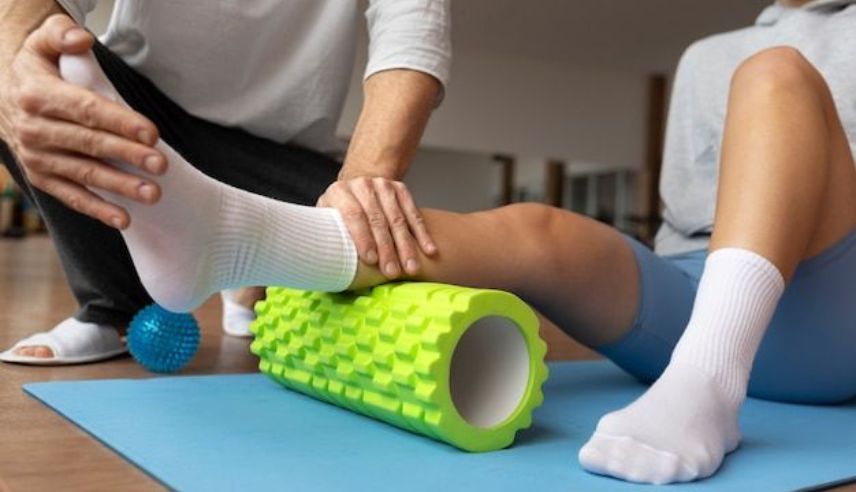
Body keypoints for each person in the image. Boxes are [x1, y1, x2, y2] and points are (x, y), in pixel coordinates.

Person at [13, 0, 856, 485]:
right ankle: (228, 241)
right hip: (688, 288)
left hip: (823, 303)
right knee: (533, 229)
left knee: (774, 71)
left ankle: (709, 381)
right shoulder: (715, 50)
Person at [0, 1, 450, 364]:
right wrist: (13, 76)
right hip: (144, 127)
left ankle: (248, 264)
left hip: (277, 160)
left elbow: (411, 30)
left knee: (393, 243)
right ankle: (114, 304)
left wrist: (359, 192)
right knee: (34, 58)